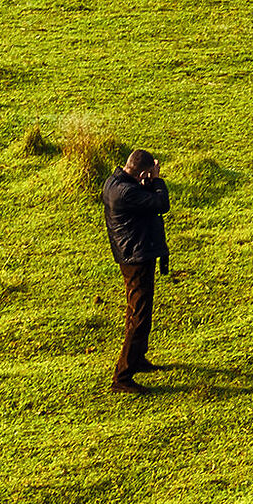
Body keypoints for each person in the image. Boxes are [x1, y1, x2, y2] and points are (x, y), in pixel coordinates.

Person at [101, 147, 171, 393]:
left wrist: (146, 182)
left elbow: (143, 200)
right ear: (143, 171)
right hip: (136, 257)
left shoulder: (114, 182)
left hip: (131, 254)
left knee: (137, 310)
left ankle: (138, 358)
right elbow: (162, 203)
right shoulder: (126, 193)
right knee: (139, 315)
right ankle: (123, 375)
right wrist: (158, 181)